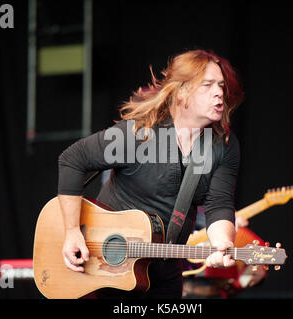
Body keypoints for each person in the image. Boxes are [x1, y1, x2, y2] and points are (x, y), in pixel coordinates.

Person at [57, 49, 245, 298]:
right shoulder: (139, 135)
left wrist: (223, 243)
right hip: (105, 268)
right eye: (207, 85)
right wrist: (72, 232)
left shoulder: (223, 145)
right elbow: (72, 159)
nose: (219, 92)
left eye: (220, 85)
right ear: (181, 92)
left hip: (162, 274)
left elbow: (219, 204)